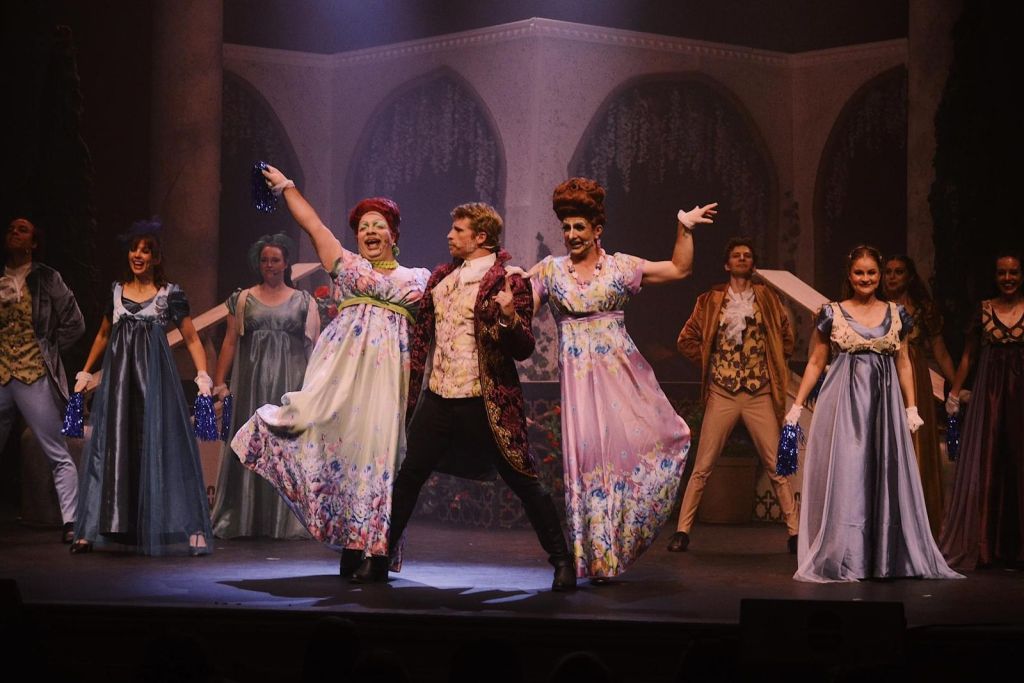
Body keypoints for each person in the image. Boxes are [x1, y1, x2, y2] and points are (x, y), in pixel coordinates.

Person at [232, 165, 429, 581]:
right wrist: (286, 187)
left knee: (379, 459)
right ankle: (351, 540)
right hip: (341, 377)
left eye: (378, 225)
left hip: (386, 381)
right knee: (337, 447)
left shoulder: (417, 280)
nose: (369, 232)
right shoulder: (348, 264)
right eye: (363, 227)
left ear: (393, 234)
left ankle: (374, 550)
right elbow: (313, 224)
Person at [517, 177, 714, 580]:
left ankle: (616, 543)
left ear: (597, 230)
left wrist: (684, 227)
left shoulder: (620, 267)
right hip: (579, 387)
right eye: (567, 227)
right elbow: (523, 311)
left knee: (645, 446)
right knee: (588, 463)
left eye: (580, 227)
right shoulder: (551, 271)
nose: (572, 234)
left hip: (622, 378)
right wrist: (510, 291)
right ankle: (594, 557)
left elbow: (679, 268)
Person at [384, 202, 576, 590]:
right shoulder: (442, 279)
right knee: (408, 476)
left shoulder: (509, 281)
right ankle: (378, 557)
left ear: (481, 237)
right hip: (440, 396)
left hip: (485, 399)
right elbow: (423, 337)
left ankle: (562, 561)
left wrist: (509, 317)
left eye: (458, 230)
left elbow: (523, 348)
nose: (449, 235)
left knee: (523, 479)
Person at [786, 245, 960, 582]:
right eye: (859, 272)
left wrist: (911, 407)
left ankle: (882, 557)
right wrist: (797, 405)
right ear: (849, 275)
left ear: (879, 276)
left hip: (885, 405)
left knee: (884, 472)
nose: (865, 278)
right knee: (849, 474)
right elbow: (816, 361)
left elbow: (903, 361)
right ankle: (848, 557)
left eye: (871, 273)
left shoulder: (896, 313)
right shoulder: (831, 313)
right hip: (844, 404)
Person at [71, 222, 213, 555]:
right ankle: (90, 529)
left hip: (155, 385)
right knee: (111, 449)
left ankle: (192, 527)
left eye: (145, 250)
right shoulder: (116, 292)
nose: (138, 255)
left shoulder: (169, 294)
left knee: (167, 447)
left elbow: (191, 338)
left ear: (156, 257)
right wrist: (85, 372)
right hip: (120, 387)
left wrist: (203, 376)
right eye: (134, 249)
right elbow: (103, 334)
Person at [667, 237, 799, 555]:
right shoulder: (710, 300)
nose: (742, 259)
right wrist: (711, 362)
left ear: (753, 263)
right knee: (703, 465)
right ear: (727, 264)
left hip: (758, 392)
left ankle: (795, 532)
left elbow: (787, 337)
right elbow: (686, 339)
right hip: (722, 391)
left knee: (776, 465)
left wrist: (770, 363)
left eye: (747, 255)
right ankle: (682, 531)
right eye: (736, 255)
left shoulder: (768, 298)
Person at [209, 233, 317, 539]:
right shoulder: (243, 299)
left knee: (285, 448)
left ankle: (285, 520)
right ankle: (243, 517)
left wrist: (315, 389)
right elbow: (230, 342)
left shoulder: (303, 301)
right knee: (249, 444)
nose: (270, 265)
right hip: (251, 386)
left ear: (286, 263)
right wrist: (219, 381)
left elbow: (314, 348)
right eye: (265, 260)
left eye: (275, 260)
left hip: (289, 383)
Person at [0, 217, 84, 542]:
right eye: (11, 228)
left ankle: (72, 521)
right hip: (1, 372)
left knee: (56, 451)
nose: (14, 232)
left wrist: (47, 348)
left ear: (33, 243)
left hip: (32, 373)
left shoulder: (46, 278)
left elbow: (75, 322)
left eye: (22, 230)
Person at [940, 251, 1024, 569]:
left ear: (1021, 275)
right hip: (990, 399)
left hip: (1020, 400)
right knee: (990, 464)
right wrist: (955, 392)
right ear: (995, 275)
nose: (1007, 278)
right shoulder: (984, 309)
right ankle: (987, 547)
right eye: (1002, 272)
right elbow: (968, 357)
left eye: (1013, 272)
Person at [882, 255, 957, 537]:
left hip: (914, 376)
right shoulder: (877, 306)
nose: (892, 277)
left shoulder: (924, 310)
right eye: (888, 271)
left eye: (899, 272)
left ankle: (917, 523)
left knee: (916, 445)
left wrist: (957, 385)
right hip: (883, 374)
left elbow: (940, 351)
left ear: (910, 277)